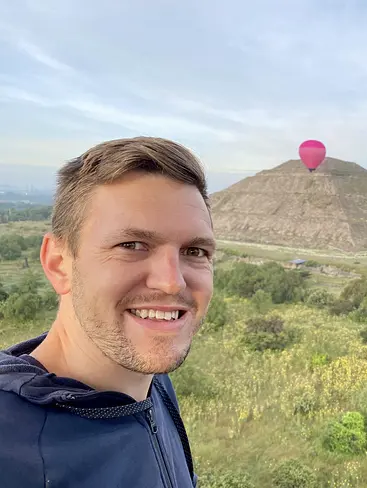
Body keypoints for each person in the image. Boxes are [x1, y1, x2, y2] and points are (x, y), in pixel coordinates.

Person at [0, 137, 216, 487]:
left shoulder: (153, 385)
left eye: (194, 251)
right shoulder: (9, 447)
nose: (172, 283)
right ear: (58, 264)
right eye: (131, 245)